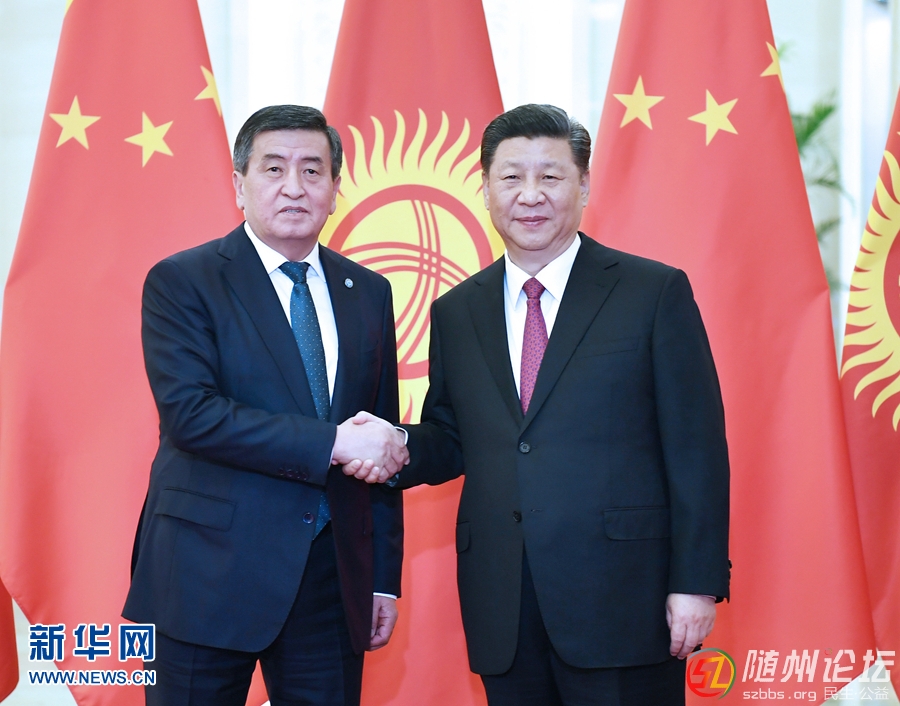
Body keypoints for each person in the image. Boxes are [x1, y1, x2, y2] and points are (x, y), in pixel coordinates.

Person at [346, 104, 730, 705]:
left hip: (625, 601)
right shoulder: (457, 311)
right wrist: (394, 443)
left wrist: (696, 583)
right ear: (485, 188)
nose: (531, 195)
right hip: (504, 603)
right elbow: (454, 436)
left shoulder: (652, 292)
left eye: (550, 176)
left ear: (584, 185)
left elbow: (696, 447)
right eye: (511, 177)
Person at [123, 105, 407, 706]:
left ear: (336, 188)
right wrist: (333, 443)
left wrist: (382, 578)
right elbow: (192, 415)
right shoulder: (184, 281)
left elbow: (375, 438)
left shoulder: (368, 291)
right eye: (274, 168)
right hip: (205, 573)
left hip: (330, 579)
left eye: (313, 170)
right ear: (239, 184)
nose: (294, 187)